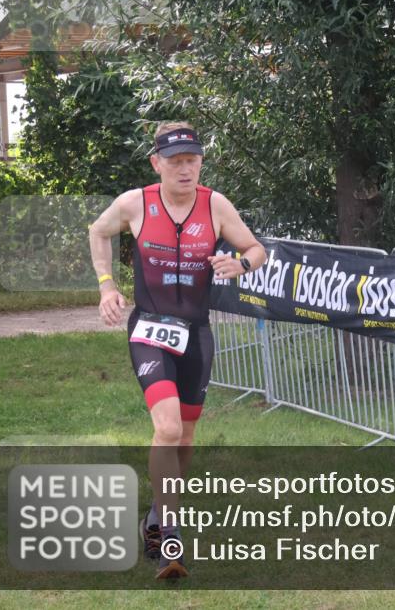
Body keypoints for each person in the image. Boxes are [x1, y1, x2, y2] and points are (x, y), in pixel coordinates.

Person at [88, 121, 267, 579]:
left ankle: (155, 514)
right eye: (176, 162)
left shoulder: (215, 205)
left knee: (185, 437)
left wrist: (240, 263)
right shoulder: (135, 203)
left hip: (197, 333)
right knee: (166, 428)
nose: (185, 169)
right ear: (157, 163)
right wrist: (107, 285)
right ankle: (170, 535)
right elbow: (98, 231)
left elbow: (255, 249)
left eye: (193, 160)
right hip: (150, 329)